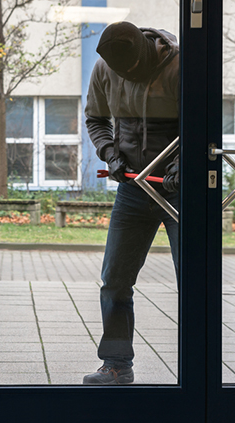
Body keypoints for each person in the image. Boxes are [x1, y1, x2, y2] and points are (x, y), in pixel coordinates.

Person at [82, 21, 180, 385]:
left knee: (194, 280)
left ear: (144, 52)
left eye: (133, 71)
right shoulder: (105, 67)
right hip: (133, 188)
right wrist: (110, 153)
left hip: (177, 191)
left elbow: (200, 124)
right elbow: (96, 118)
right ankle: (117, 364)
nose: (128, 76)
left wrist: (180, 162)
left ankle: (197, 370)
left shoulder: (178, 66)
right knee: (115, 280)